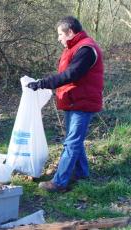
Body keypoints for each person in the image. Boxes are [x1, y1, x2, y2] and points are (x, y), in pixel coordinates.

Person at [27, 16, 104, 192]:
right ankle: (82, 173)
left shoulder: (86, 49)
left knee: (71, 142)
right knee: (74, 140)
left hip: (82, 103)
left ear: (70, 32)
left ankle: (59, 183)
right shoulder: (74, 47)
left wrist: (42, 83)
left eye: (60, 34)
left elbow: (71, 75)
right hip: (74, 101)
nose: (58, 38)